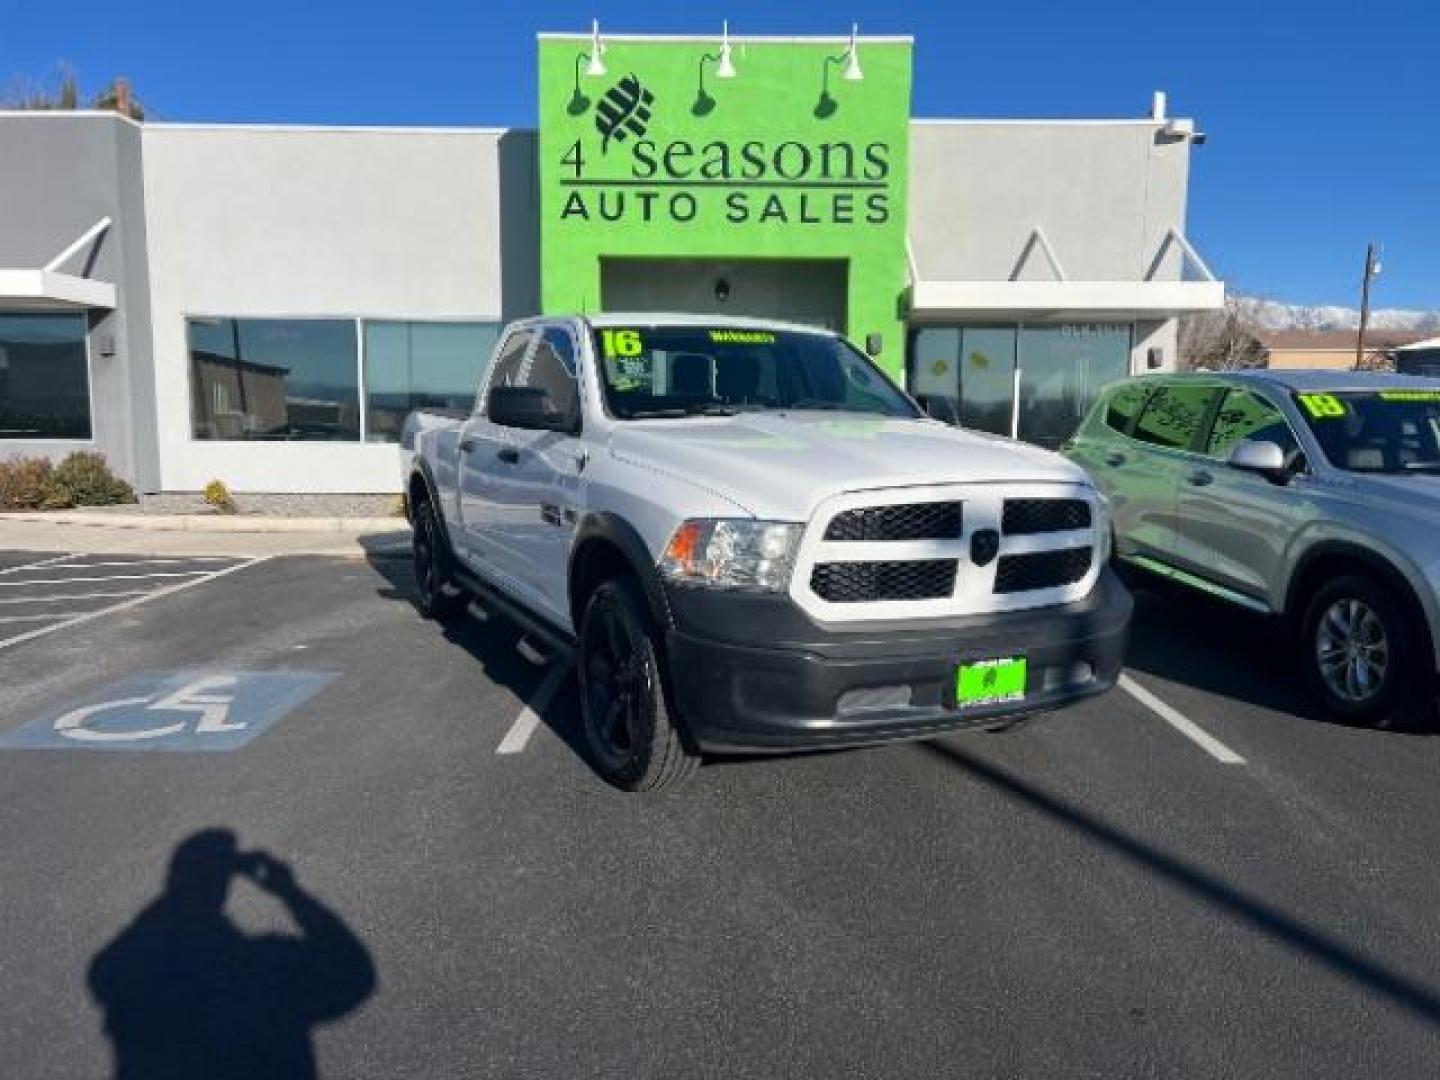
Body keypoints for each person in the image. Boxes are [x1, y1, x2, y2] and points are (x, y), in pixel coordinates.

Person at [88, 829, 376, 1080]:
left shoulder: (144, 983)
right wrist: (290, 893)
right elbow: (353, 970)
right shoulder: (267, 970)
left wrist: (183, 894)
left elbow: (105, 972)